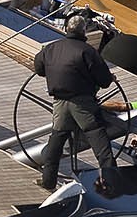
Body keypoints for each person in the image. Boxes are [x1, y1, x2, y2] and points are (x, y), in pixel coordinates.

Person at [31, 14, 122, 196]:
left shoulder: (51, 48)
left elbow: (39, 68)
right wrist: (109, 78)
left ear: (66, 29)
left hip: (60, 103)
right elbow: (104, 81)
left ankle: (48, 181)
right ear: (83, 31)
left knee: (56, 140)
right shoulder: (88, 51)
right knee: (99, 141)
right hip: (83, 105)